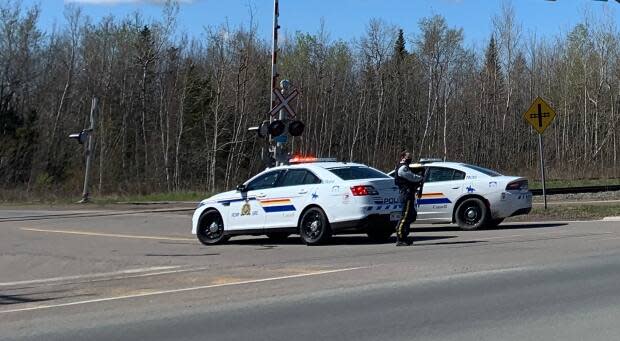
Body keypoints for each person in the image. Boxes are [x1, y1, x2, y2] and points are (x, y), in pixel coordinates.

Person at [393, 151, 424, 246]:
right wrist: (421, 177)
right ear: (402, 157)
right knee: (405, 216)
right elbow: (412, 177)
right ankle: (400, 238)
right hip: (405, 194)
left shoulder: (406, 167)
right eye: (408, 157)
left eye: (410, 157)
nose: (410, 158)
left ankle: (404, 235)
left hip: (409, 194)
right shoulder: (402, 168)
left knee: (411, 215)